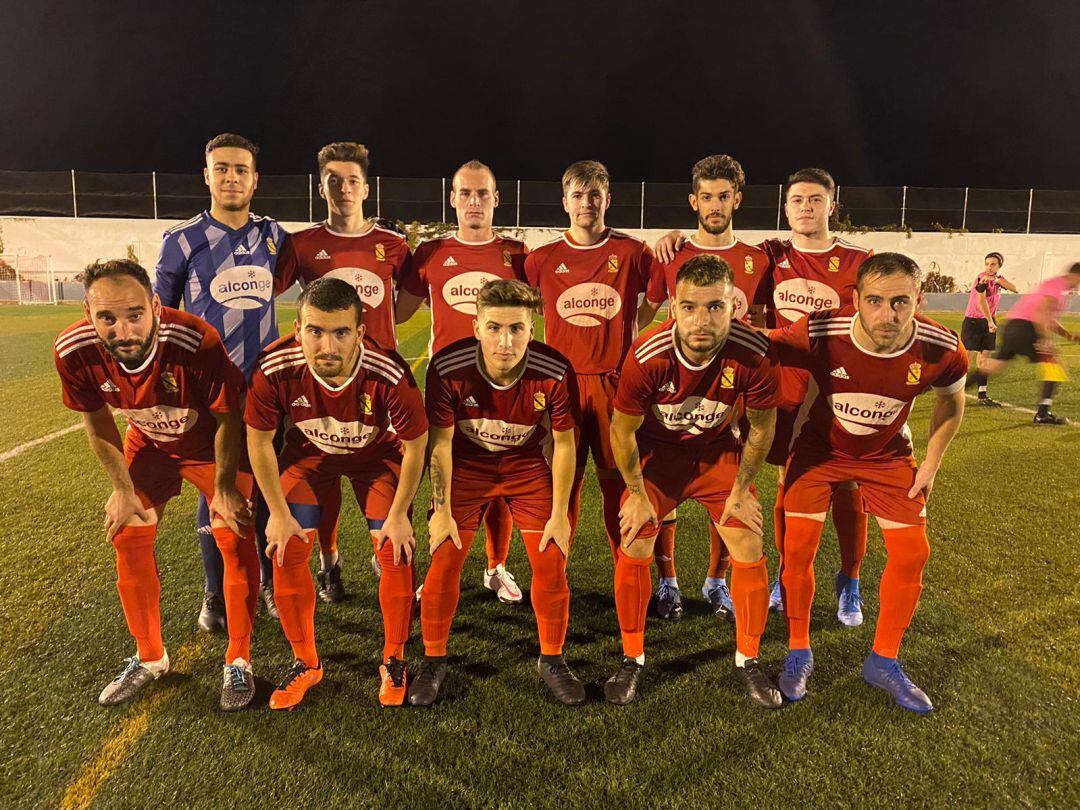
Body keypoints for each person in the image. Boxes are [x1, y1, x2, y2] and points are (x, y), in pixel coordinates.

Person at [654, 168, 873, 628]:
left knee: (846, 482)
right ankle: (783, 575)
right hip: (776, 385)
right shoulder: (772, 254)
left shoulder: (858, 259)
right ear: (785, 206)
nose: (806, 208)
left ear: (832, 205)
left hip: (837, 386)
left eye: (815, 200)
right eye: (797, 200)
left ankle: (849, 580)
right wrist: (671, 236)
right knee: (775, 481)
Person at [55, 260, 260, 711]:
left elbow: (229, 417)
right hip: (149, 444)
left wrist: (224, 488)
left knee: (232, 534)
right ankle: (151, 657)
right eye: (107, 318)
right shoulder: (73, 350)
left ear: (155, 306)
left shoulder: (195, 339)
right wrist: (122, 489)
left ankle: (240, 658)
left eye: (133, 314)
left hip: (211, 445)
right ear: (88, 313)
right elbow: (98, 422)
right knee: (129, 533)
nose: (122, 330)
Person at [770, 253, 968, 713]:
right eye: (874, 301)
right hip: (820, 451)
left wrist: (932, 464)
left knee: (914, 552)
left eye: (900, 302)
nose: (887, 315)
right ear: (855, 299)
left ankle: (883, 660)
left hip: (887, 457)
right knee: (797, 547)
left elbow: (951, 405)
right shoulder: (821, 331)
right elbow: (760, 345)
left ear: (919, 299)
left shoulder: (942, 348)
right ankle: (799, 649)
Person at [244, 278, 428, 709]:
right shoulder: (273, 366)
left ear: (360, 333)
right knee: (287, 547)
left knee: (393, 549)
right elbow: (258, 441)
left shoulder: (389, 372)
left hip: (376, 458)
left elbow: (417, 445)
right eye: (315, 331)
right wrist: (276, 511)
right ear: (297, 327)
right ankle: (306, 662)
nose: (327, 345)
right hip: (310, 455)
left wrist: (400, 515)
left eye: (341, 332)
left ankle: (394, 659)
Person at [609, 255, 782, 708]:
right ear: (672, 306)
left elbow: (762, 427)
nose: (701, 320)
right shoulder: (648, 354)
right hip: (658, 456)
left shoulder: (755, 353)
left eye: (714, 307)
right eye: (689, 307)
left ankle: (748, 658)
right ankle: (632, 657)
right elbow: (621, 429)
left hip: (715, 454)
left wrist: (742, 490)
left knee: (748, 542)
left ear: (733, 308)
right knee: (636, 537)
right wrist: (636, 494)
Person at [410, 279, 584, 706]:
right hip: (467, 467)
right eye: (494, 328)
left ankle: (553, 658)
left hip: (525, 468)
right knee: (444, 559)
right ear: (475, 326)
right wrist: (443, 509)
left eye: (517, 329)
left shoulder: (556, 370)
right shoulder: (447, 367)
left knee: (550, 562)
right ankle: (434, 659)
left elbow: (564, 445)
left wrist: (560, 512)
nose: (505, 341)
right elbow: (442, 443)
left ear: (532, 327)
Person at [154, 132, 289, 630]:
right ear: (206, 175)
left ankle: (272, 586)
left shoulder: (273, 234)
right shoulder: (181, 239)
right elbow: (160, 314)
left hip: (266, 384)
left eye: (241, 169)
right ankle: (214, 594)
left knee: (271, 486)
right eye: (222, 168)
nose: (231, 176)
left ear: (256, 179)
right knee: (217, 488)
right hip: (209, 386)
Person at [273, 142, 414, 602]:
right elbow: (265, 295)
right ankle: (329, 563)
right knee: (323, 471)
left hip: (378, 387)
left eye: (352, 179)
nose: (344, 187)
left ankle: (385, 548)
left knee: (385, 469)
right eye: (333, 179)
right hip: (320, 385)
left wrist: (377, 347)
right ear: (321, 186)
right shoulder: (301, 244)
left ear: (366, 188)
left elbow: (406, 308)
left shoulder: (393, 246)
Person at [642, 154, 772, 622]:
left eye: (724, 196)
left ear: (737, 199)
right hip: (675, 392)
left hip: (733, 392)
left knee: (731, 487)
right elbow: (651, 315)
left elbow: (763, 322)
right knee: (666, 481)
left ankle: (717, 582)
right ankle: (668, 582)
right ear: (693, 200)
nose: (715, 205)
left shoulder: (759, 258)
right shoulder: (670, 254)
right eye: (707, 196)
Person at [397, 160, 530, 604]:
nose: (474, 202)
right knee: (442, 481)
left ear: (496, 199)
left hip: (505, 386)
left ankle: (496, 568)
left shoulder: (517, 254)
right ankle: (438, 568)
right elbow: (395, 313)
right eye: (466, 194)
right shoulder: (430, 254)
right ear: (453, 199)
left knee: (499, 486)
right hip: (446, 389)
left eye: (483, 193)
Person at [524, 160, 664, 559]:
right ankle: (553, 574)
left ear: (608, 199)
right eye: (578, 195)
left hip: (615, 385)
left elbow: (657, 295)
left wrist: (630, 329)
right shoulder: (541, 258)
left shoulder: (634, 252)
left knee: (618, 485)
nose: (587, 203)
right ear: (565, 202)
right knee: (559, 486)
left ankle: (627, 569)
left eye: (594, 195)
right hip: (561, 388)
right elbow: (526, 308)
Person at [981, 262, 1080, 425]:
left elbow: (1048, 317)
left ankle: (953, 386)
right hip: (1025, 329)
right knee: (1055, 367)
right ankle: (1042, 414)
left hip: (1013, 326)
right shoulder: (1059, 286)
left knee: (993, 366)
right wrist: (1045, 339)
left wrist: (1068, 335)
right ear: (1075, 275)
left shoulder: (1055, 284)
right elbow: (1041, 312)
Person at [961, 251, 1017, 406]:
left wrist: (998, 279)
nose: (989, 267)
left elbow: (1014, 288)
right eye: (987, 264)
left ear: (999, 266)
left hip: (989, 321)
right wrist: (990, 322)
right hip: (974, 321)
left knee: (984, 359)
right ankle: (954, 392)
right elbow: (981, 302)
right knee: (966, 359)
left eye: (993, 264)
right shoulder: (982, 278)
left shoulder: (997, 279)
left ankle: (982, 395)